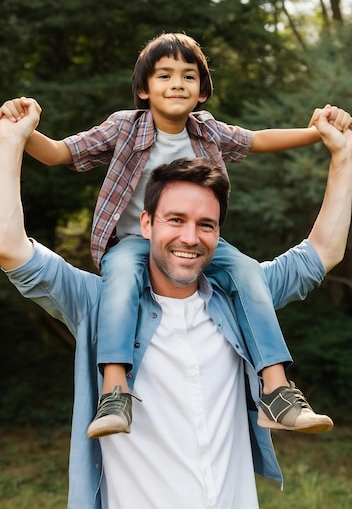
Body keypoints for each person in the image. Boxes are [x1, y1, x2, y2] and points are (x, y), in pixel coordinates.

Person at [1, 102, 352, 508]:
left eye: (206, 225)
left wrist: (343, 155)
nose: (190, 237)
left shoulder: (242, 300)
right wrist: (11, 143)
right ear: (146, 224)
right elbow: (11, 250)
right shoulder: (97, 304)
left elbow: (323, 251)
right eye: (176, 220)